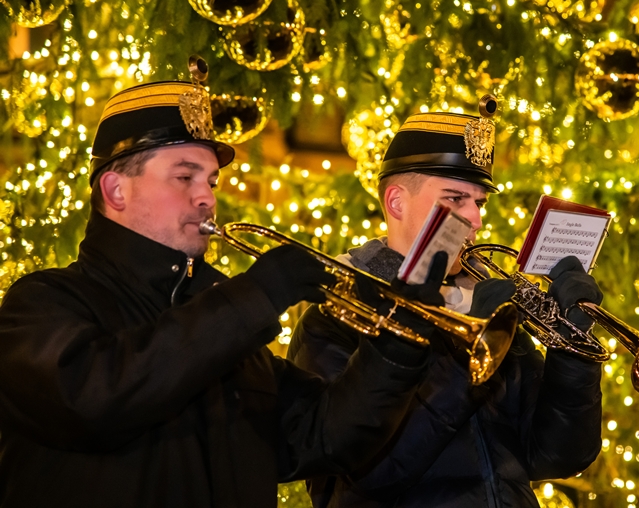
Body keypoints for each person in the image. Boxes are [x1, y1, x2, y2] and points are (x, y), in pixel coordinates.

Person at [0, 80, 435, 508]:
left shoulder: (225, 326)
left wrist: (396, 348)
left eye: (211, 181)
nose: (206, 197)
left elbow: (322, 436)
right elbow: (94, 399)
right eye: (184, 176)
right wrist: (256, 295)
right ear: (116, 190)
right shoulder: (42, 302)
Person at [288, 109, 605, 507]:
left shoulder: (484, 302)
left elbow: (556, 456)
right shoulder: (336, 317)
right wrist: (466, 359)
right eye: (455, 198)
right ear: (397, 202)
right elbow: (364, 478)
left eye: (479, 202)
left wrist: (571, 353)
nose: (475, 218)